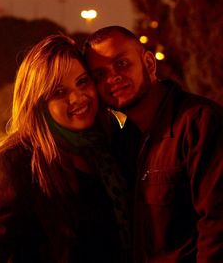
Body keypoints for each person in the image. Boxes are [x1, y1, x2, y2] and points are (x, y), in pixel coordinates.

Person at [0, 35, 130, 263]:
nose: (78, 98)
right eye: (59, 92)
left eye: (82, 82)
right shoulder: (19, 164)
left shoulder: (109, 143)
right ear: (39, 104)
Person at [83, 25, 223, 262]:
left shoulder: (199, 123)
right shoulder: (122, 141)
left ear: (148, 63)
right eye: (99, 74)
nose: (112, 77)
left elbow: (217, 225)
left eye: (121, 63)